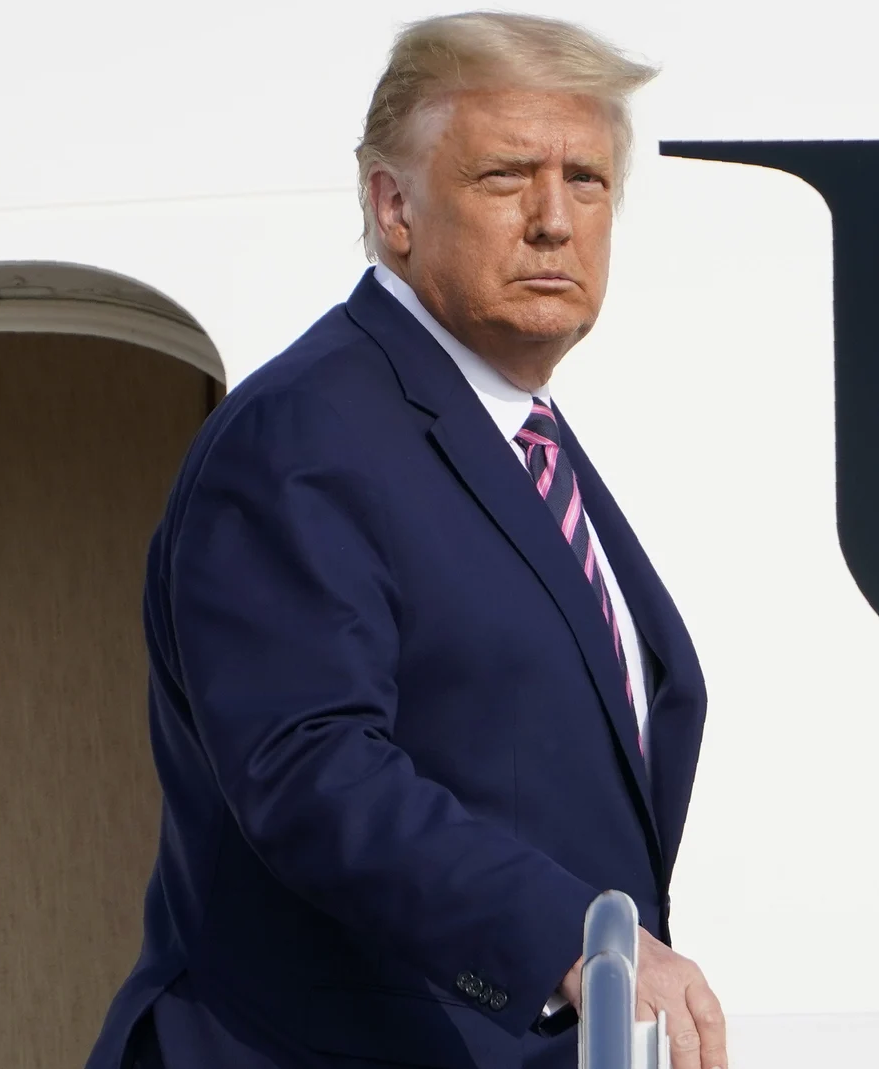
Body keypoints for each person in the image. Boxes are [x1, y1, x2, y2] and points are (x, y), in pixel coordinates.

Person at [84, 13, 723, 1069]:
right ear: (393, 206)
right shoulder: (304, 432)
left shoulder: (514, 433)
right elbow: (309, 764)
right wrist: (569, 939)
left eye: (588, 179)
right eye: (506, 176)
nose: (554, 219)